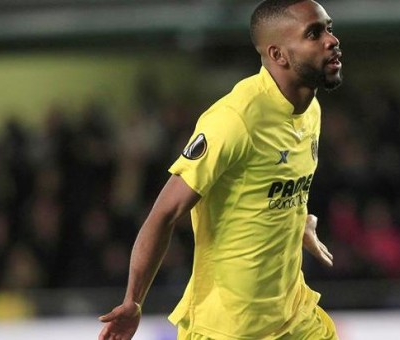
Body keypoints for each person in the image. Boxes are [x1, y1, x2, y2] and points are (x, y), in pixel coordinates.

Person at [98, 0, 343, 338]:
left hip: (294, 319)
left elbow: (265, 186)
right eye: (313, 33)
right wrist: (133, 302)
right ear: (278, 54)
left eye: (328, 28)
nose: (331, 40)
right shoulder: (235, 119)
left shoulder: (310, 110)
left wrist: (297, 220)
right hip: (227, 328)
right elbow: (164, 213)